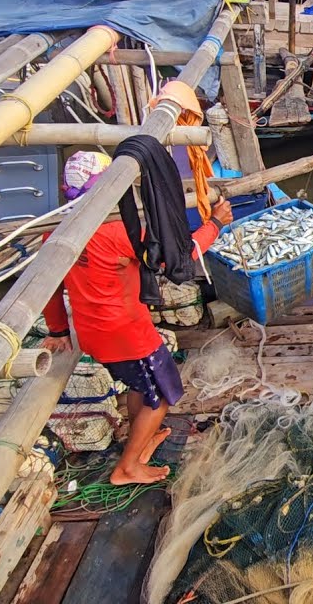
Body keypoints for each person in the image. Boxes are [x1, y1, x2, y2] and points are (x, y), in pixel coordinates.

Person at [42, 151, 234, 485]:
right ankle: (127, 467)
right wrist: (215, 223)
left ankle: (142, 436)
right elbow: (179, 259)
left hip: (93, 332)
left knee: (138, 385)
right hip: (127, 333)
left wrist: (58, 329)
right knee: (160, 396)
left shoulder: (55, 234)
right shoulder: (117, 232)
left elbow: (49, 289)